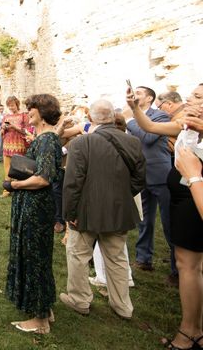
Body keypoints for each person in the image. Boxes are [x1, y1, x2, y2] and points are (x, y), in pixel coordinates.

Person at [126, 83, 203, 350]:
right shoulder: (184, 127)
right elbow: (149, 127)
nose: (189, 99)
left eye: (197, 96)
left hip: (195, 196)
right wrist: (135, 108)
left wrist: (193, 174)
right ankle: (193, 326)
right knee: (187, 263)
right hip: (183, 196)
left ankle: (190, 332)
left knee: (191, 265)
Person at [60, 99, 145, 320]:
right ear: (111, 117)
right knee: (117, 259)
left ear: (91, 119)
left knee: (78, 255)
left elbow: (72, 183)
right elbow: (139, 179)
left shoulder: (81, 143)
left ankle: (79, 300)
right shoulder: (132, 141)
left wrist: (69, 213)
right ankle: (122, 306)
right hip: (118, 210)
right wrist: (121, 196)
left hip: (86, 211)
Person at [3, 94, 63, 335]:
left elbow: (43, 178)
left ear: (43, 111)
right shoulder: (43, 136)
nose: (28, 112)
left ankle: (40, 321)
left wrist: (14, 185)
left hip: (36, 206)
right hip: (32, 204)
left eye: (32, 108)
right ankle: (44, 307)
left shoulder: (48, 140)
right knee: (37, 256)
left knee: (34, 258)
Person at [123, 86, 176, 281]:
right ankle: (144, 259)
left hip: (160, 175)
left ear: (150, 98)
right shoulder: (134, 117)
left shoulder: (160, 116)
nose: (134, 96)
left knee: (169, 222)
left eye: (139, 93)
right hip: (139, 176)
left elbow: (148, 136)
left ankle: (177, 269)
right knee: (144, 220)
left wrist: (129, 119)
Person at [0, 96, 31, 197]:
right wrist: (3, 128)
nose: (11, 108)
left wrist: (14, 127)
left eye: (12, 105)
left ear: (17, 104)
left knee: (19, 168)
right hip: (7, 144)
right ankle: (7, 189)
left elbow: (26, 131)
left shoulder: (23, 116)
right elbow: (1, 131)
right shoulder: (6, 117)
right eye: (9, 106)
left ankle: (19, 188)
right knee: (7, 168)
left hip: (19, 145)